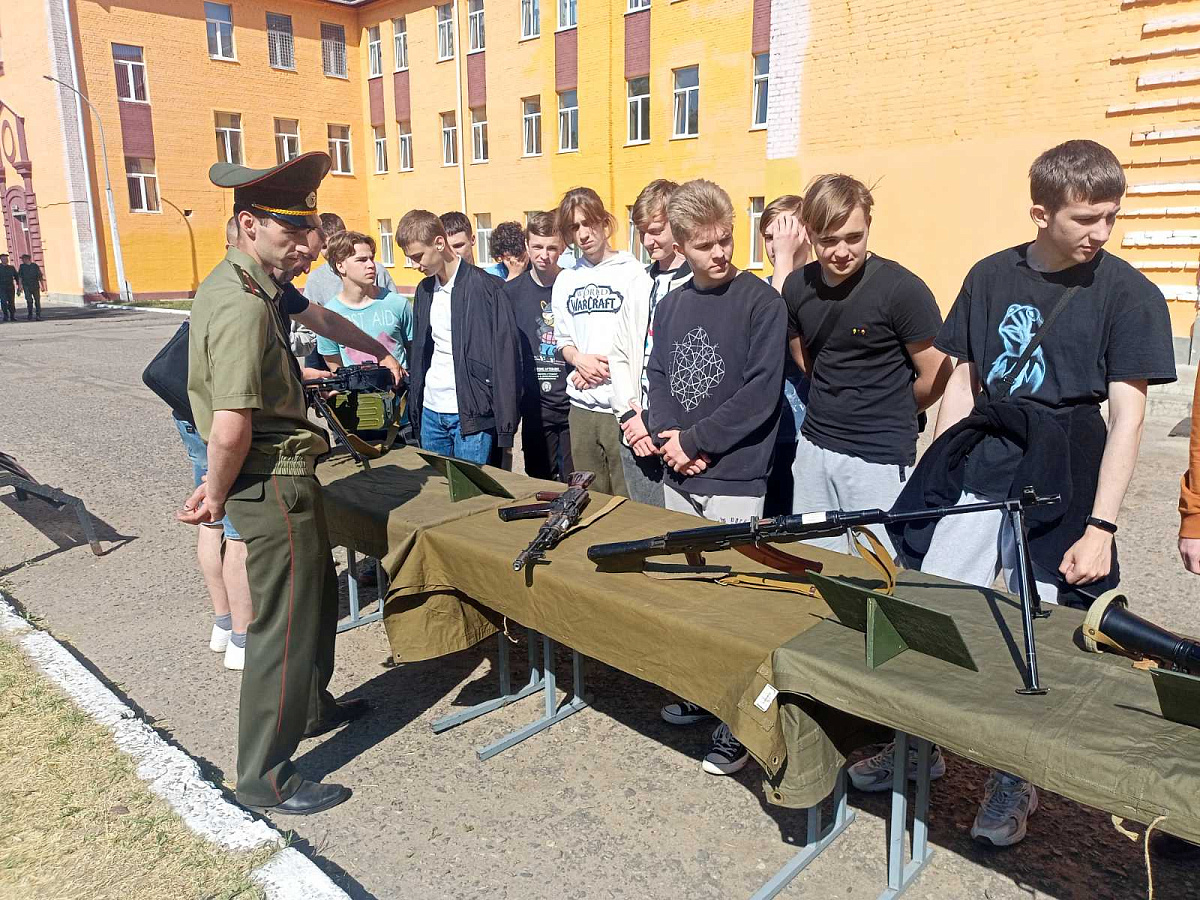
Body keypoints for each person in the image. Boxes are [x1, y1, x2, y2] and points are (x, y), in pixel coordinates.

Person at [874, 139, 1177, 848]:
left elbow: (1128, 417)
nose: (1102, 232)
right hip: (985, 457)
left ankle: (1015, 774)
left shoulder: (1129, 294)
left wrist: (1100, 528)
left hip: (1065, 468)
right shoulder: (989, 275)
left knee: (1033, 630)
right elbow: (963, 384)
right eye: (1086, 218)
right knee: (935, 607)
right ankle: (918, 741)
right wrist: (941, 474)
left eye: (1111, 216)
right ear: (1041, 212)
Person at [179, 151, 379, 816]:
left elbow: (317, 316)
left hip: (288, 474)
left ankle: (311, 706)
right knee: (283, 628)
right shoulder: (242, 306)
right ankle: (264, 777)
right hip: (271, 480)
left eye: (308, 232)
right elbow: (230, 425)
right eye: (293, 233)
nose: (307, 247)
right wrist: (213, 493)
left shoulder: (254, 281)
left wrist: (377, 348)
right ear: (249, 225)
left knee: (315, 601)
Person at [648, 179, 786, 776]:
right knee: (690, 595)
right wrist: (670, 437)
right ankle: (701, 692)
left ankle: (739, 725)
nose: (721, 252)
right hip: (679, 472)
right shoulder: (671, 303)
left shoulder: (761, 303)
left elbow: (761, 392)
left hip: (736, 476)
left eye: (726, 239)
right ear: (680, 245)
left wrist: (696, 441)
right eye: (705, 245)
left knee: (735, 604)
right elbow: (658, 374)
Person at [783, 175, 948, 556]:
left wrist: (890, 407)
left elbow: (937, 373)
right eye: (828, 240)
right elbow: (803, 358)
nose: (842, 251)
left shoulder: (902, 290)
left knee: (878, 570)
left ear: (869, 225)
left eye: (854, 238)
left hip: (879, 459)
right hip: (814, 449)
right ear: (809, 233)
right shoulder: (796, 286)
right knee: (816, 561)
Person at [552, 187, 653, 497]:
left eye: (588, 223)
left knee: (627, 499)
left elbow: (640, 340)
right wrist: (579, 361)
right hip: (581, 408)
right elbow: (563, 340)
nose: (583, 234)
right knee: (589, 497)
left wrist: (599, 370)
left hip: (620, 408)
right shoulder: (566, 280)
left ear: (604, 221)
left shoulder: (634, 273)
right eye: (574, 227)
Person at [399, 209, 521, 464]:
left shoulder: (487, 288)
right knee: (439, 487)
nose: (415, 265)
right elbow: (421, 353)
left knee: (469, 488)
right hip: (431, 412)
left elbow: (506, 357)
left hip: (471, 415)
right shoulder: (424, 290)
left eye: (418, 256)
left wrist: (506, 426)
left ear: (439, 243)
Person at [609, 179, 692, 507]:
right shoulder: (638, 283)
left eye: (656, 231)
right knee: (645, 524)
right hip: (636, 433)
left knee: (683, 527)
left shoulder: (697, 283)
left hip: (679, 437)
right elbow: (619, 354)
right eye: (642, 232)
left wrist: (659, 424)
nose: (647, 241)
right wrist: (628, 416)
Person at [316, 230, 413, 442]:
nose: (371, 265)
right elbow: (335, 368)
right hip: (356, 420)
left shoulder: (397, 304)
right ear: (340, 266)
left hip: (401, 420)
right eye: (361, 260)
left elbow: (415, 356)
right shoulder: (329, 317)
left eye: (371, 258)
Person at [506, 213, 573, 481]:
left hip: (573, 402)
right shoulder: (511, 293)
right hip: (535, 405)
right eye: (537, 247)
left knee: (576, 481)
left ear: (563, 247)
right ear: (526, 245)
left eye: (551, 248)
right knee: (538, 479)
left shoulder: (574, 285)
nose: (544, 255)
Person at [760, 195, 812, 516]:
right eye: (769, 236)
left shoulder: (821, 286)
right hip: (768, 433)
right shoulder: (757, 289)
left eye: (785, 233)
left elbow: (782, 323)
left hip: (809, 433)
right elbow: (771, 328)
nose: (776, 245)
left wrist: (785, 259)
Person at [18, 254, 44, 321]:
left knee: (37, 301)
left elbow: (40, 276)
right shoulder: (22, 266)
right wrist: (20, 286)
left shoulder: (35, 266)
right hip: (26, 286)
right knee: (29, 301)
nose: (22, 260)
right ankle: (30, 314)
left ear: (27, 259)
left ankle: (38, 315)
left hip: (35, 286)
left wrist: (42, 286)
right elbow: (20, 277)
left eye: (23, 259)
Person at [0, 253, 17, 322]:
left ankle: (12, 316)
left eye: (6, 259)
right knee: (3, 302)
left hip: (10, 287)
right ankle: (5, 315)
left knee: (11, 302)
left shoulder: (11, 268)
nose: (5, 260)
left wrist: (19, 286)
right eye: (3, 259)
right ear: (1, 260)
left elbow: (16, 277)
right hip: (1, 288)